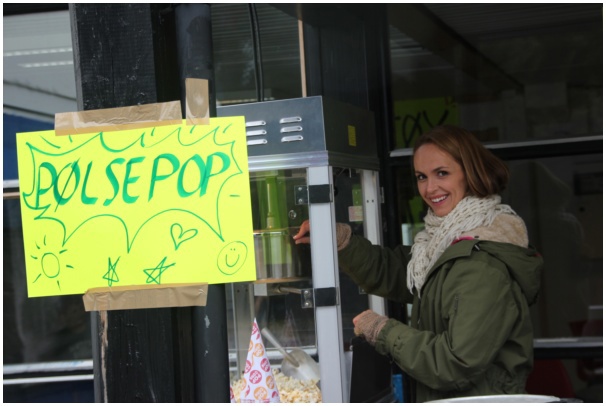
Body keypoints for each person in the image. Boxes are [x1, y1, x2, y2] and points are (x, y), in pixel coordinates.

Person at [293, 125, 543, 402]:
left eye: (442, 173)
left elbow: (454, 364)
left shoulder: (482, 263)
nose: (430, 188)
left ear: (471, 173)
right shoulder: (442, 244)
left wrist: (384, 332)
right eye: (421, 176)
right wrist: (340, 240)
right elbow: (391, 271)